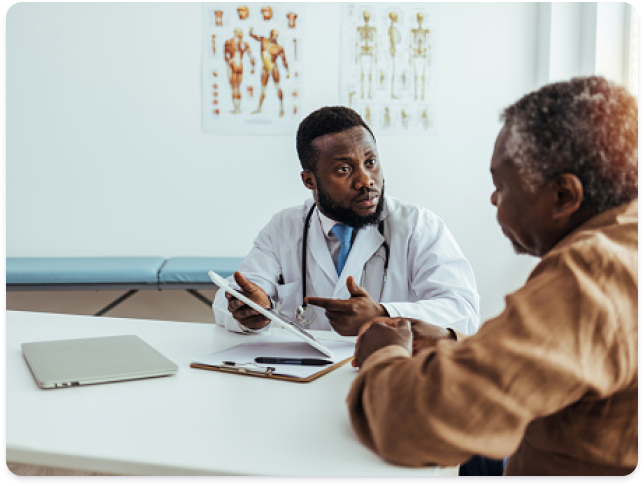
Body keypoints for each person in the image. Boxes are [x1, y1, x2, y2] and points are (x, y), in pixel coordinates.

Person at [347, 76, 638, 476]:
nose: (493, 198)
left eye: (501, 184)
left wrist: (384, 351)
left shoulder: (593, 271)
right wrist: (455, 343)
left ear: (563, 197)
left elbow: (413, 421)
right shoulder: (625, 239)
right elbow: (567, 357)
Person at [212, 106, 479, 337]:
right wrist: (252, 312)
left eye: (370, 162)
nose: (366, 180)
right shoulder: (284, 228)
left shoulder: (418, 226)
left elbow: (463, 310)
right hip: (305, 377)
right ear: (309, 181)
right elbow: (232, 298)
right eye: (344, 169)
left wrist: (383, 314)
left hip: (387, 374)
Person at [249, 28, 289, 117]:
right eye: (273, 34)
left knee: (277, 87)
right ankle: (259, 108)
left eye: (276, 35)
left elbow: (284, 60)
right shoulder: (263, 40)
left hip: (274, 67)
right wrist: (251, 33)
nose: (274, 37)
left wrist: (287, 71)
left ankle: (282, 108)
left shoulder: (279, 48)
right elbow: (256, 37)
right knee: (263, 88)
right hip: (265, 68)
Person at [224, 28, 255, 114]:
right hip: (240, 64)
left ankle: (236, 108)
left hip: (233, 63)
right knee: (238, 87)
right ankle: (238, 108)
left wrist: (229, 61)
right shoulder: (244, 44)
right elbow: (251, 56)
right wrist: (253, 67)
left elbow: (225, 56)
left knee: (234, 87)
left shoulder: (229, 42)